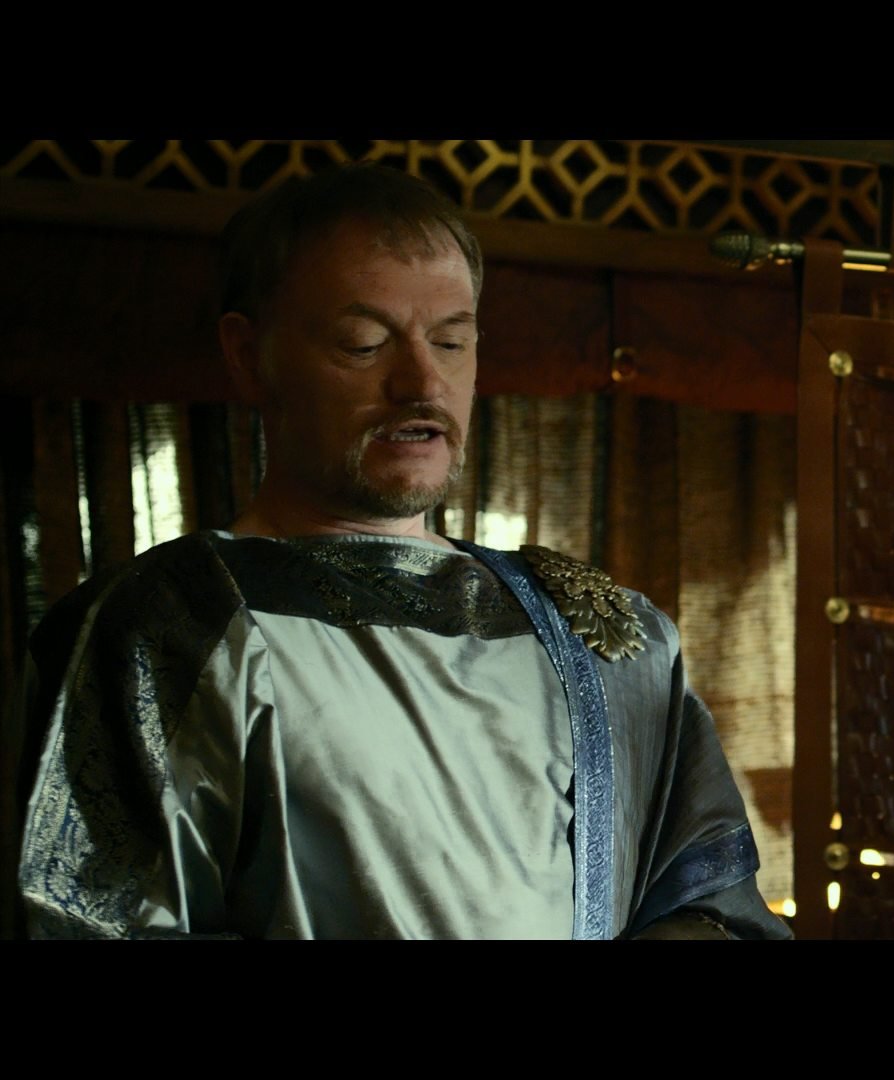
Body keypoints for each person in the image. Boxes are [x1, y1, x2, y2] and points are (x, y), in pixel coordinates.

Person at [7, 165, 789, 939]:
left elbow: (716, 910)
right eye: (364, 343)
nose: (421, 383)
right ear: (249, 356)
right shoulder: (162, 631)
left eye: (451, 341)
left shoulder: (606, 639)